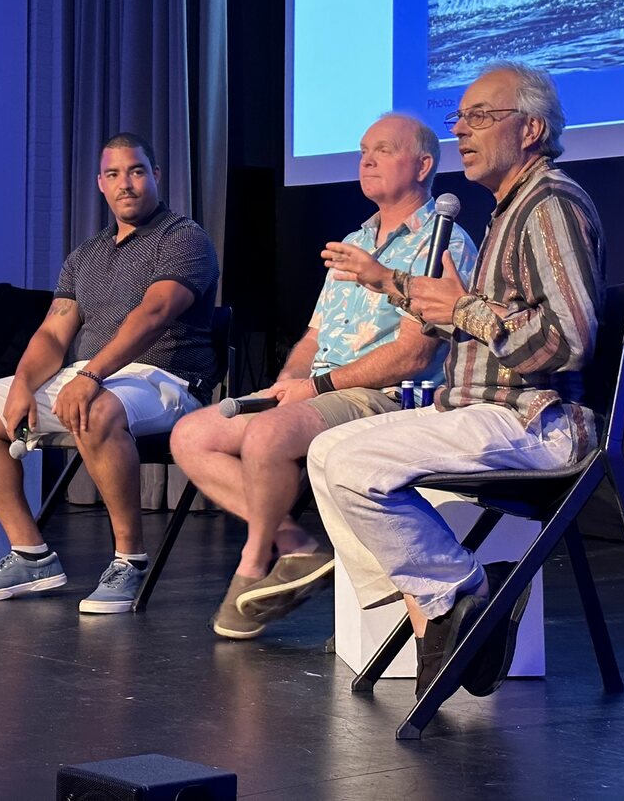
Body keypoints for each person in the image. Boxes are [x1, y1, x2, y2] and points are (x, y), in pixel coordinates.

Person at [310, 62, 604, 698]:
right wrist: (396, 285)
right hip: (480, 412)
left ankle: (456, 600)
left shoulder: (549, 205)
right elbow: (469, 316)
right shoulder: (506, 213)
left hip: (537, 423)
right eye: (460, 118)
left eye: (481, 117)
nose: (463, 132)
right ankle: (449, 604)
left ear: (530, 129)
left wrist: (466, 309)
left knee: (356, 463)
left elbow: (569, 340)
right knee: (325, 450)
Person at [171, 113, 474, 639]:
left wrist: (310, 391)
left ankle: (251, 565)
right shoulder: (354, 240)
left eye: (383, 149)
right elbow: (314, 338)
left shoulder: (442, 242)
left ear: (424, 164)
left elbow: (411, 356)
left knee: (267, 434)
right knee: (192, 435)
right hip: (319, 390)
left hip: (385, 398)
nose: (367, 159)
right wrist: (282, 385)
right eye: (362, 150)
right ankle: (296, 548)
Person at [0, 132, 220, 615]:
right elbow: (54, 334)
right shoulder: (85, 255)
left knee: (94, 409)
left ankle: (129, 562)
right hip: (91, 376)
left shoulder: (183, 237)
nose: (126, 184)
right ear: (100, 184)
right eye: (114, 175)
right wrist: (22, 384)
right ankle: (31, 554)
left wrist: (91, 376)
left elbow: (154, 313)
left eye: (136, 171)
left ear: (156, 176)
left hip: (167, 379)